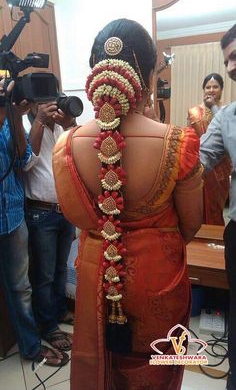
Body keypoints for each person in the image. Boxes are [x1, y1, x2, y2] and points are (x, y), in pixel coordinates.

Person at [53, 19, 203, 390]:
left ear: (95, 71)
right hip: (159, 278)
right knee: (160, 364)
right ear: (149, 75)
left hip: (96, 280)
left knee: (104, 367)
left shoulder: (66, 146)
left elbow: (77, 220)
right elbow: (192, 224)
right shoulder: (177, 143)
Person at [0, 77, 69, 367]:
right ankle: (41, 332)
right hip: (36, 211)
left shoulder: (10, 124)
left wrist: (13, 115)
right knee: (38, 279)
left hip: (13, 215)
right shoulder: (28, 125)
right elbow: (29, 164)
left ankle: (35, 339)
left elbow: (23, 158)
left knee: (24, 285)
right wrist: (28, 120)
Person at [200, 23, 236, 390]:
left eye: (235, 56)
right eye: (227, 60)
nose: (230, 67)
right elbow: (199, 160)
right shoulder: (224, 118)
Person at [23, 101, 76, 351]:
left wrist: (70, 125)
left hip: (64, 210)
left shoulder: (59, 130)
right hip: (41, 213)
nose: (51, 105)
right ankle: (47, 326)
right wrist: (40, 122)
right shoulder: (26, 126)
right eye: (43, 101)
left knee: (60, 269)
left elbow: (78, 157)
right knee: (43, 275)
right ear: (33, 104)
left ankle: (58, 311)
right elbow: (27, 162)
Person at [188, 73, 231, 225]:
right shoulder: (193, 112)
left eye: (215, 87)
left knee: (215, 205)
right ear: (203, 89)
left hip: (222, 167)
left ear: (221, 89)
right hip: (199, 163)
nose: (211, 90)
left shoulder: (228, 112)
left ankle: (217, 234)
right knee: (197, 203)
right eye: (208, 87)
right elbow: (190, 139)